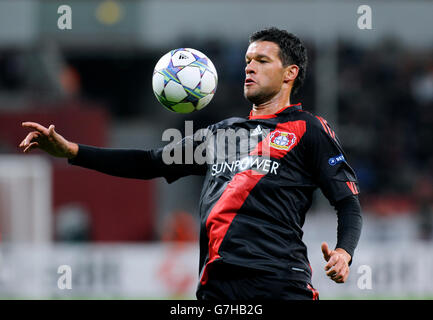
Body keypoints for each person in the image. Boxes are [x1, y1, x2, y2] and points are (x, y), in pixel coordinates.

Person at [19, 27, 362, 300]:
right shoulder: (220, 134)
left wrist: (344, 253)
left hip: (279, 283)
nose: (249, 67)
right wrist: (72, 151)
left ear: (290, 73)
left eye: (261, 60)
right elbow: (149, 163)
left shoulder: (308, 129)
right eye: (247, 60)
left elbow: (347, 202)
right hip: (216, 286)